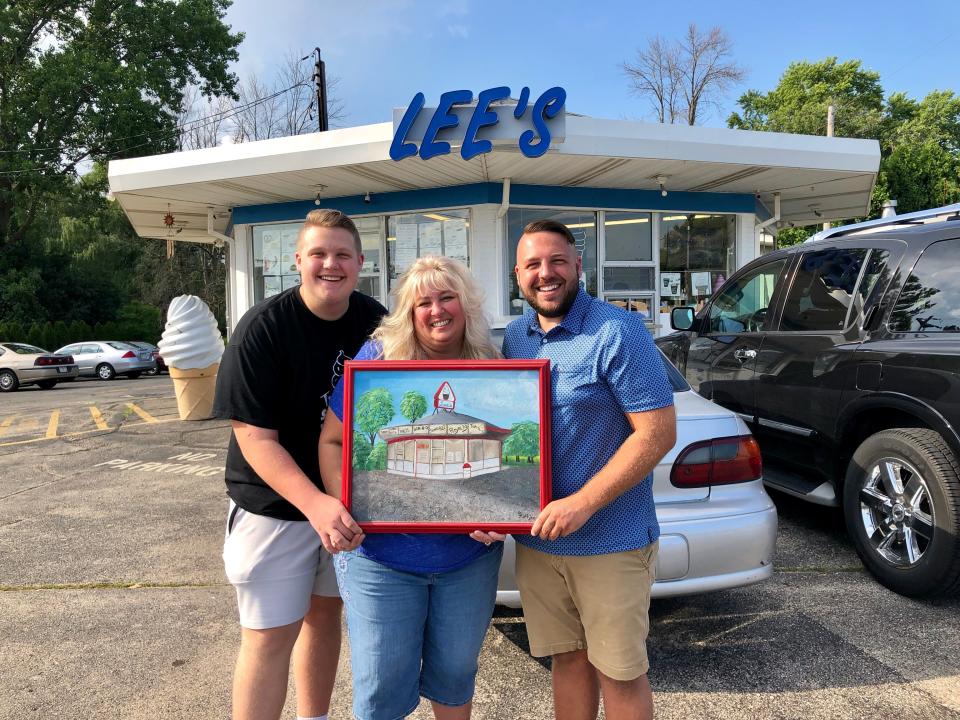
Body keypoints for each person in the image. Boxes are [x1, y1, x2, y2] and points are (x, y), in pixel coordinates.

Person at [213, 209, 386, 720]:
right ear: (298, 262)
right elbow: (253, 437)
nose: (330, 264)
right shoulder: (263, 328)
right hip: (274, 507)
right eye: (318, 254)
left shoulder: (375, 322)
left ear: (359, 262)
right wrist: (315, 504)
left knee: (325, 618)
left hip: (345, 504)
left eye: (341, 255)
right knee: (269, 637)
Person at [502, 219, 677, 720]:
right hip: (538, 544)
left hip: (611, 542)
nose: (546, 273)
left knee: (620, 674)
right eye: (533, 264)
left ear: (578, 266)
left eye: (557, 261)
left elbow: (657, 433)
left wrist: (582, 503)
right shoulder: (516, 338)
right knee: (567, 662)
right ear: (519, 275)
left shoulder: (617, 331)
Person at [318, 256, 503, 720]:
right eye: (424, 302)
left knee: (456, 676)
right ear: (409, 311)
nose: (437, 310)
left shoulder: (493, 364)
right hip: (382, 559)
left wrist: (504, 517)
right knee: (380, 686)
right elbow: (334, 440)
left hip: (468, 560)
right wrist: (346, 505)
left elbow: (515, 479)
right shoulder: (377, 360)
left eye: (447, 297)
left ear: (466, 304)